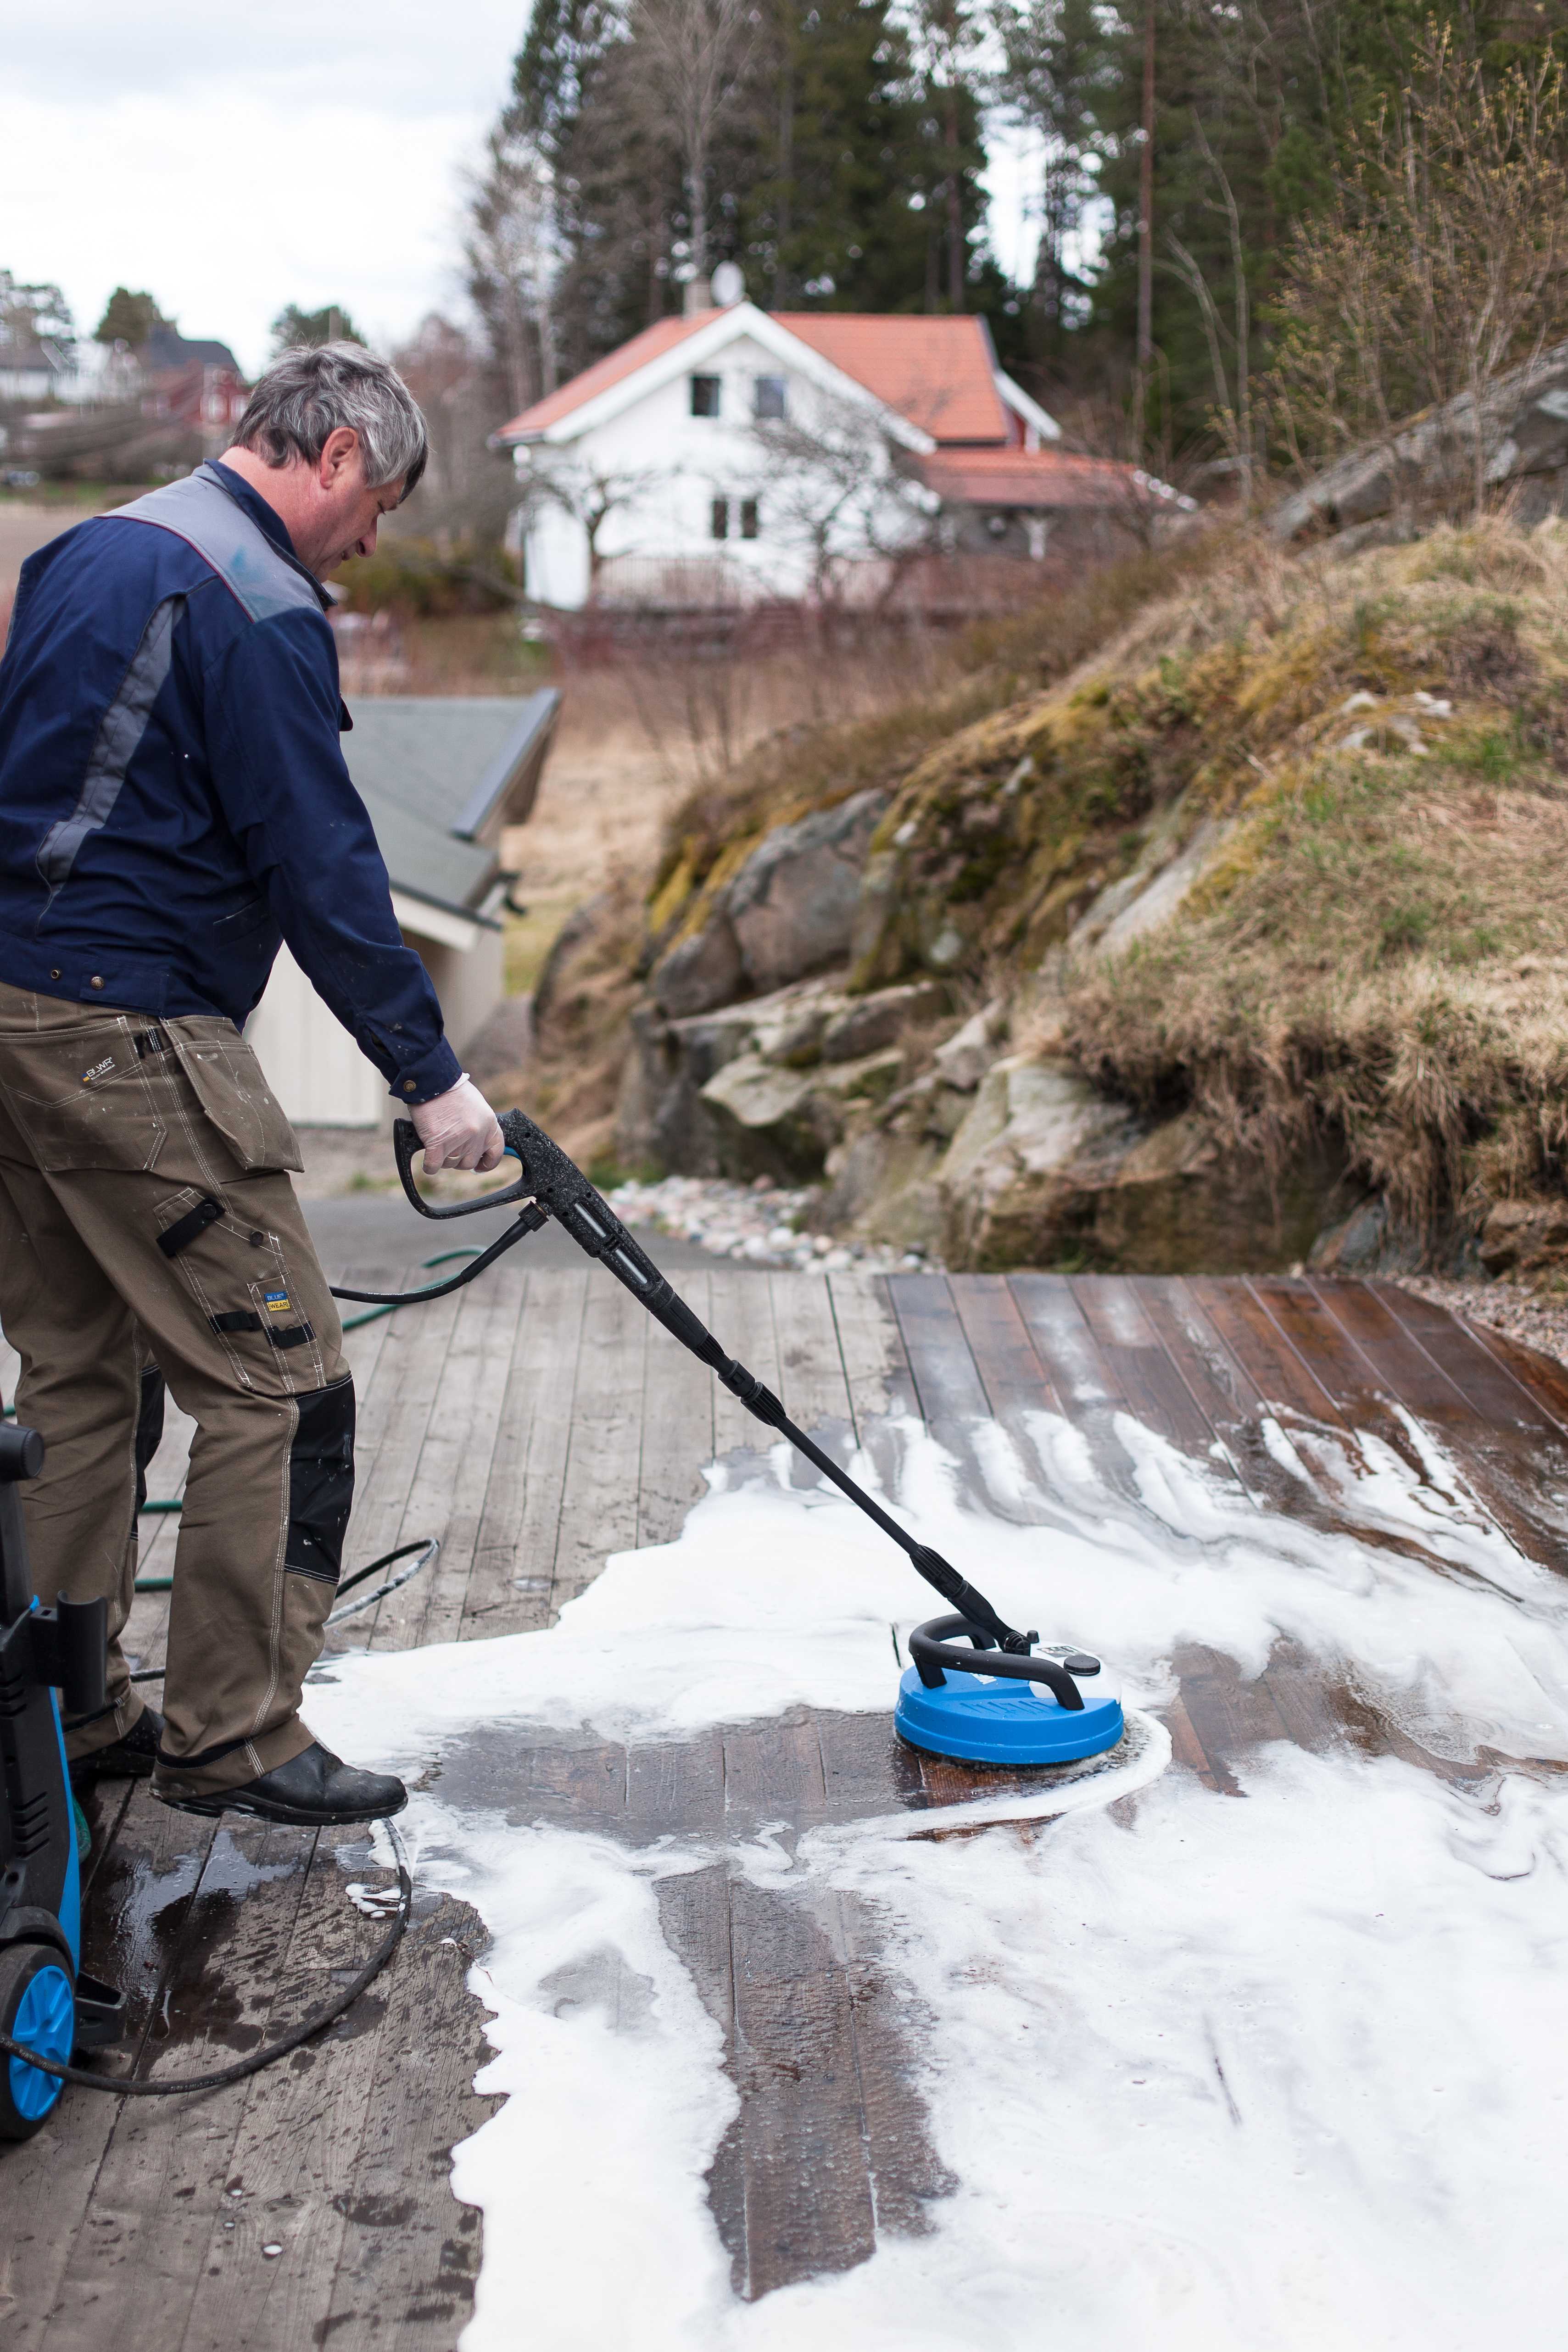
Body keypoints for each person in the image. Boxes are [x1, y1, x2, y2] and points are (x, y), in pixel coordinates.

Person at [0, 342, 504, 1827]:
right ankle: (236, 1731)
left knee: (80, 1377)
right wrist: (432, 1079)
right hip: (129, 1034)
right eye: (384, 505)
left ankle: (71, 1717)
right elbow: (323, 863)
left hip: (14, 1013)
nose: (372, 541)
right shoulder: (259, 601)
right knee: (280, 1385)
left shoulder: (89, 550)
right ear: (340, 456)